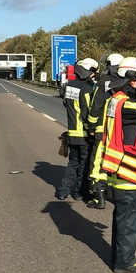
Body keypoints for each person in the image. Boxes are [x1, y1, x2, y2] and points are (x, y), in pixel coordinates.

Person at [90, 56, 136, 273]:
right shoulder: (125, 104)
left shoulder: (117, 99)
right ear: (133, 78)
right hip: (126, 172)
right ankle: (125, 263)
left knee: (122, 218)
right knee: (128, 221)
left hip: (118, 169)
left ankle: (121, 257)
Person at [85, 52, 124, 209]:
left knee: (98, 163)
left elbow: (96, 105)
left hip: (103, 130)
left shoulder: (104, 81)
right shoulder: (129, 81)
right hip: (121, 132)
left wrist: (91, 127)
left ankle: (98, 197)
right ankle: (118, 194)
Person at [56, 57, 98, 201]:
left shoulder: (69, 86)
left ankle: (62, 191)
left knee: (73, 162)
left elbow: (65, 104)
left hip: (72, 132)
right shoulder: (87, 89)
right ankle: (80, 193)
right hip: (84, 134)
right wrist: (91, 130)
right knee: (84, 164)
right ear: (90, 72)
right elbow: (87, 111)